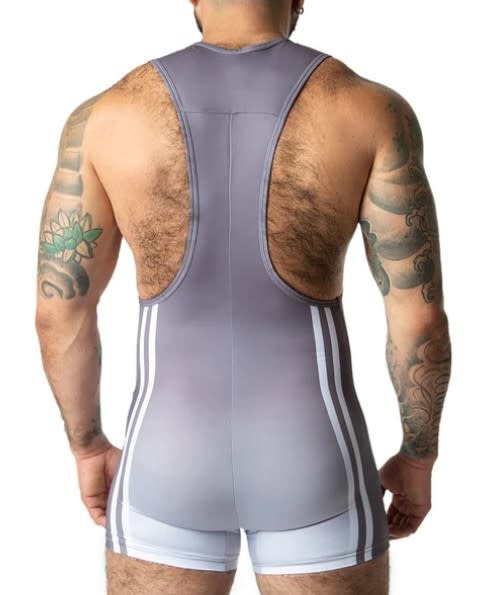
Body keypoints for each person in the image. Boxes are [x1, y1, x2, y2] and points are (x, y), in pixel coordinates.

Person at [35, 0, 452, 593]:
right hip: (315, 456)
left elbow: (59, 311)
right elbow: (419, 317)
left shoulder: (104, 117)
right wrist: (418, 455)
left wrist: (87, 447)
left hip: (165, 457)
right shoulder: (370, 110)